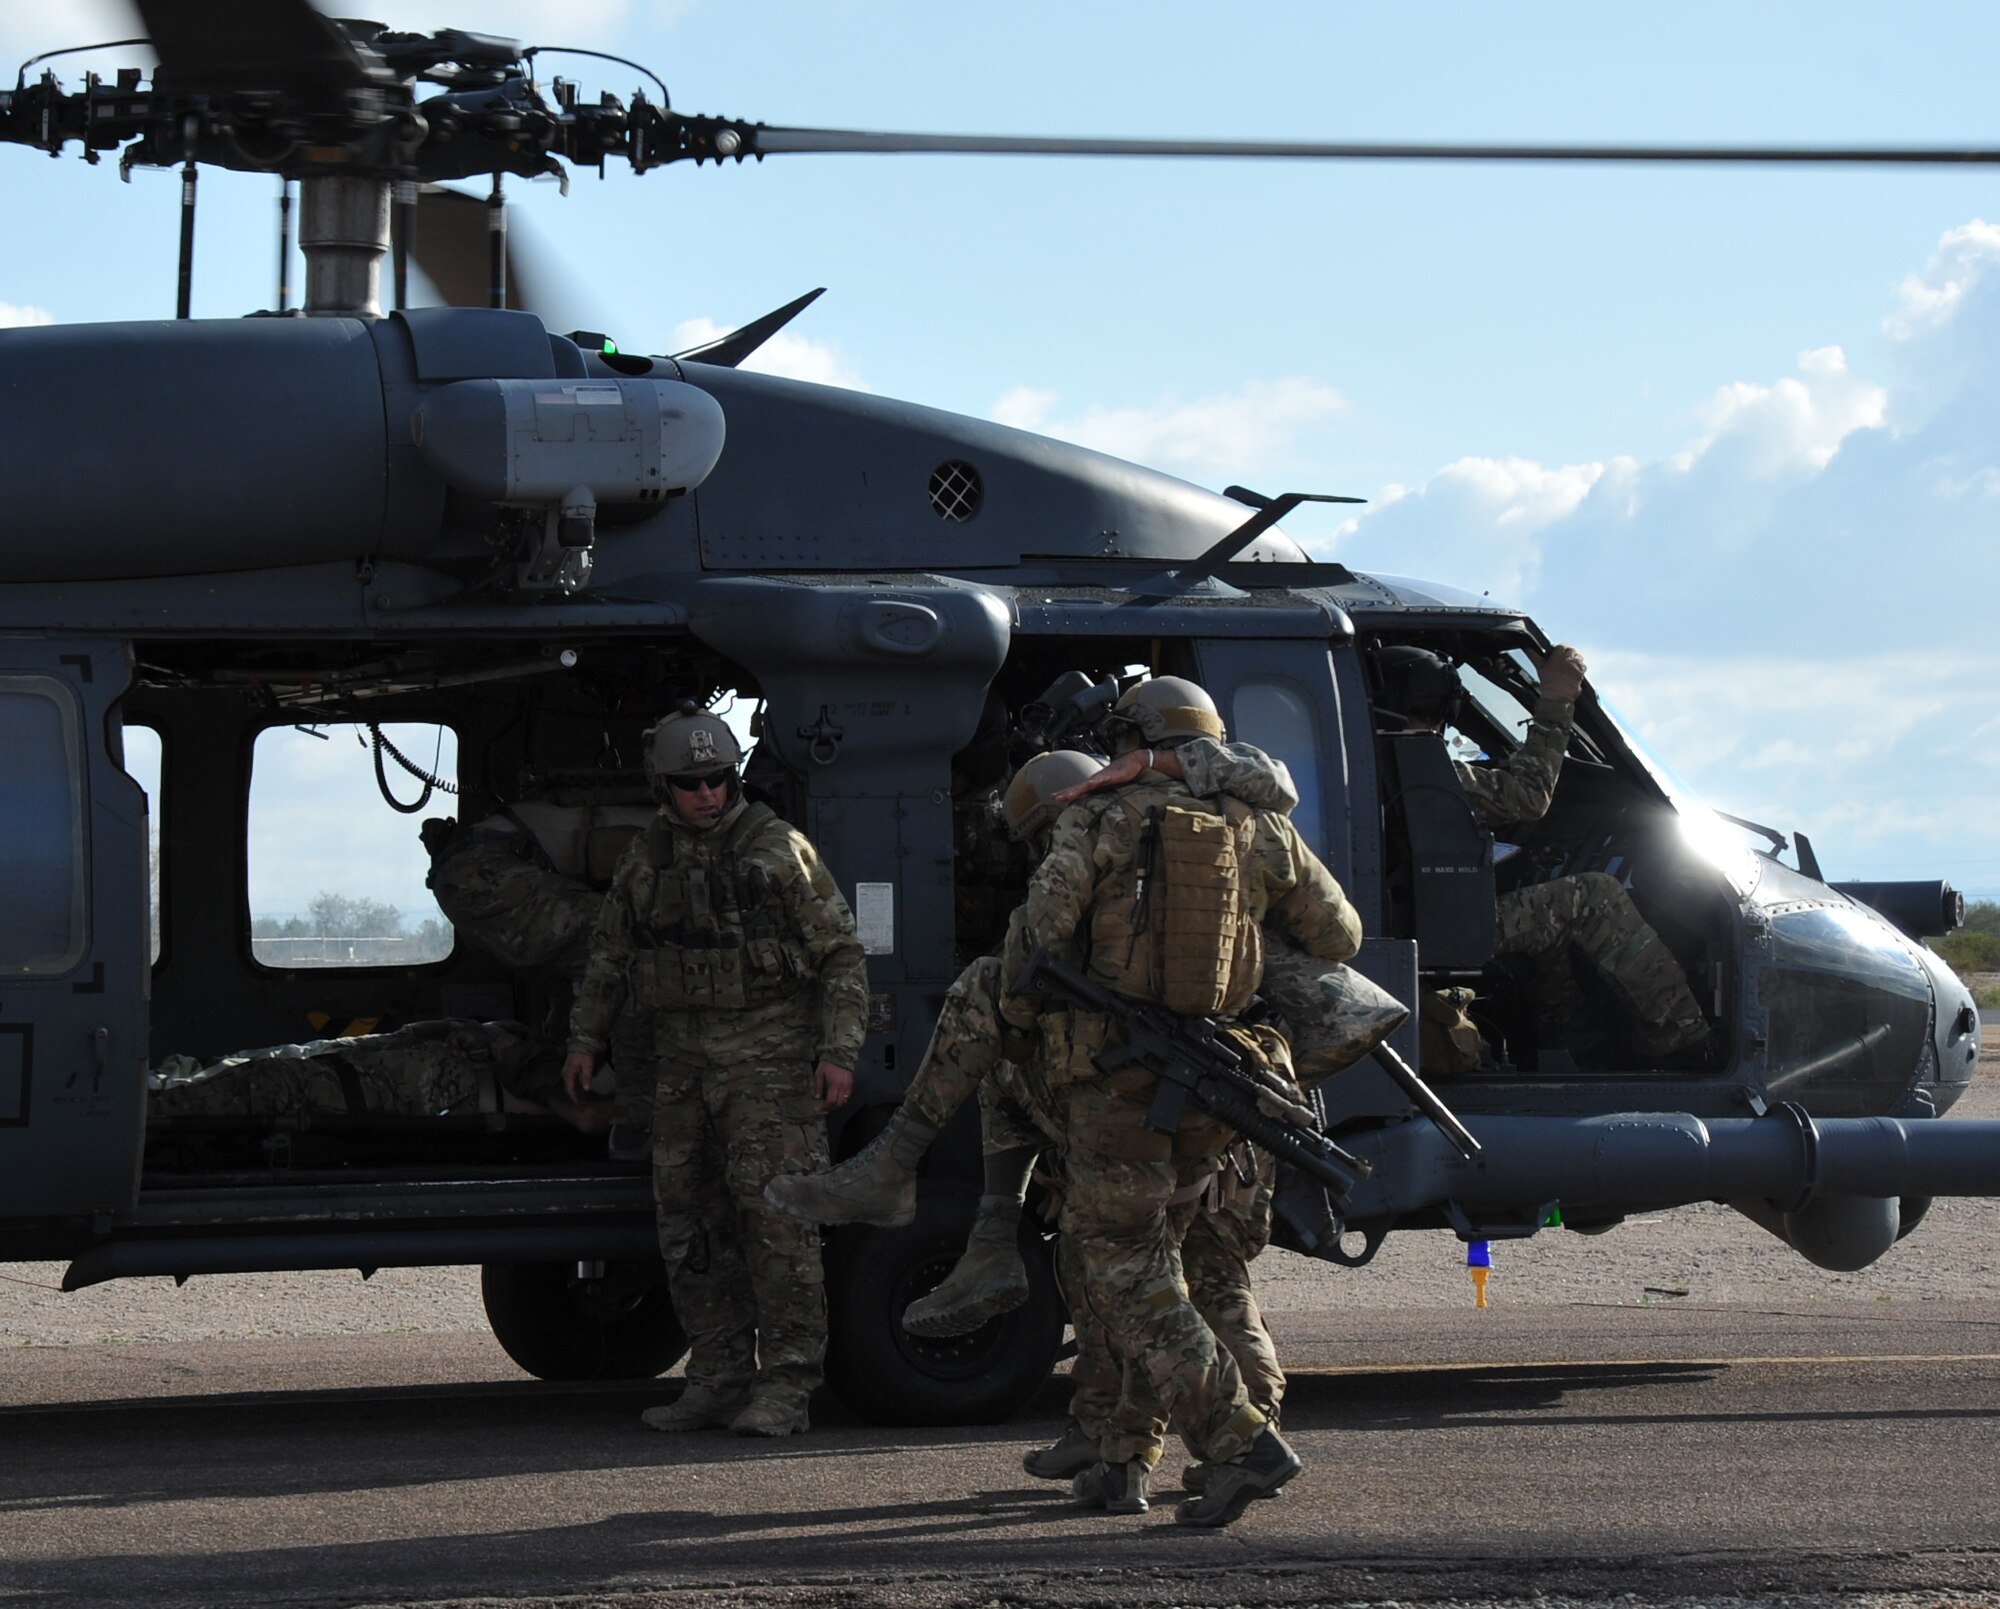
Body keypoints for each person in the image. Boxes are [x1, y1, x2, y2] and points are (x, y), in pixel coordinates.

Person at [997, 674, 1365, 1528]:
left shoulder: (1098, 816)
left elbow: (1036, 945)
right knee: (1164, 1265)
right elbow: (1339, 935)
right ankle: (1124, 1459)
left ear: (1134, 738)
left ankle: (1240, 1442)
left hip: (1118, 1084)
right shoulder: (1260, 824)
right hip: (1214, 1081)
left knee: (1124, 1271)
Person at [562, 704, 867, 1439]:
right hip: (681, 1068)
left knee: (779, 1227)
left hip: (768, 1065)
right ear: (662, 786)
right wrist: (585, 1039)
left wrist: (838, 1050)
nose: (707, 793)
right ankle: (717, 1376)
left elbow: (841, 954)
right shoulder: (647, 857)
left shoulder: (776, 848)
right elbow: (609, 954)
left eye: (719, 779)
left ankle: (788, 1386)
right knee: (689, 1227)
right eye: (690, 782)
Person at [1375, 642, 1709, 1064]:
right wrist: (1556, 700)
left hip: (1403, 926)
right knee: (1591, 897)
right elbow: (1528, 796)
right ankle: (1681, 1039)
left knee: (1546, 925)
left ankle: (1570, 1047)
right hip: (1428, 932)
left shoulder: (1362, 757)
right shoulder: (1411, 766)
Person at [149, 1018, 606, 1131]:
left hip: (409, 1090)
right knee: (285, 1062)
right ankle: (167, 1090)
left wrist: (495, 1045)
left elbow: (581, 1117)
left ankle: (150, 1110)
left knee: (271, 1083)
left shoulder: (624, 1081)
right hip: (400, 1063)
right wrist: (478, 1033)